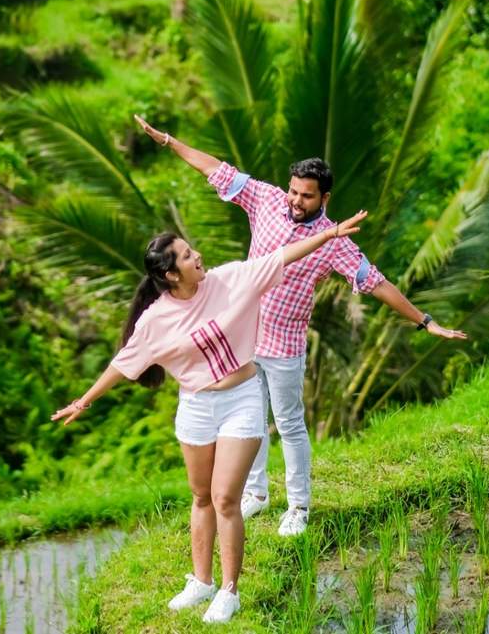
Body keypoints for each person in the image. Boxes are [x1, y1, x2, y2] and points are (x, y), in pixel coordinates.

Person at [133, 114, 467, 538]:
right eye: (293, 190)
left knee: (288, 422)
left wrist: (425, 321)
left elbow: (377, 282)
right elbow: (214, 168)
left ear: (323, 198)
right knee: (249, 422)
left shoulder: (334, 239)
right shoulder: (266, 200)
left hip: (286, 345)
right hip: (243, 339)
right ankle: (255, 494)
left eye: (305, 196)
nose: (295, 200)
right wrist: (168, 141)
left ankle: (299, 506)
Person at [51, 211, 367, 624]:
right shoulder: (155, 319)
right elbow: (124, 361)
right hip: (196, 407)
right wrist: (84, 400)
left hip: (242, 398)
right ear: (170, 275)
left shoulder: (232, 279)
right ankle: (201, 581)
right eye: (185, 255)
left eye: (190, 249)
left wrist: (330, 233)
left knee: (224, 498)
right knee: (201, 497)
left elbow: (283, 257)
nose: (197, 255)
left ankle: (229, 590)